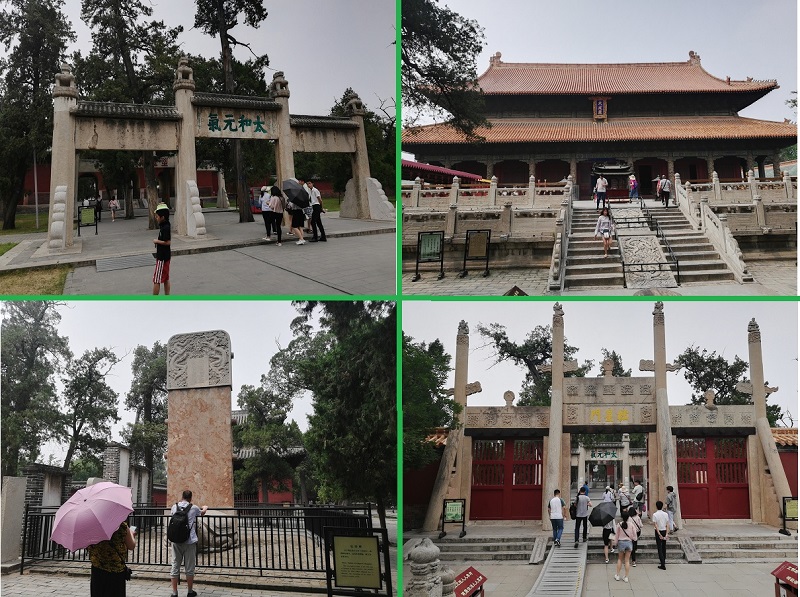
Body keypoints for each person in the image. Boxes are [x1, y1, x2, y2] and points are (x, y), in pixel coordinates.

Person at [169, 490, 208, 597]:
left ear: (182, 497)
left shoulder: (174, 507)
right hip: (189, 541)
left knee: (175, 565)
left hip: (176, 540)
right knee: (189, 567)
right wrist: (205, 507)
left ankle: (174, 592)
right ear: (190, 498)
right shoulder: (194, 508)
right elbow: (202, 513)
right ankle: (190, 591)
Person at [87, 520, 136, 596]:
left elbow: (87, 546)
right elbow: (131, 546)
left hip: (98, 569)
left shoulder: (91, 526)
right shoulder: (121, 526)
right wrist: (132, 535)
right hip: (116, 570)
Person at [611, 509, 636, 583]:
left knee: (619, 559)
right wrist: (633, 539)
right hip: (629, 542)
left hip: (621, 542)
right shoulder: (631, 525)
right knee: (627, 560)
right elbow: (634, 534)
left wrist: (614, 543)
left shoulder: (619, 525)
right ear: (628, 517)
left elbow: (616, 535)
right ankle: (626, 576)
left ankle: (617, 575)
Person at [153, 203, 171, 295]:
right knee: (166, 278)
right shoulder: (165, 225)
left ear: (162, 217)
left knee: (157, 279)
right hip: (166, 256)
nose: (156, 218)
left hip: (162, 257)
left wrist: (157, 241)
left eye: (157, 216)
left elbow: (168, 242)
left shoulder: (166, 227)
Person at [652, 500, 670, 569]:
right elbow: (667, 524)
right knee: (664, 547)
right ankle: (663, 560)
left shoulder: (655, 515)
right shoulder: (665, 514)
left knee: (659, 547)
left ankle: (662, 564)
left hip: (658, 531)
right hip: (664, 530)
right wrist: (667, 533)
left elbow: (655, 525)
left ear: (656, 506)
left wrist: (659, 534)